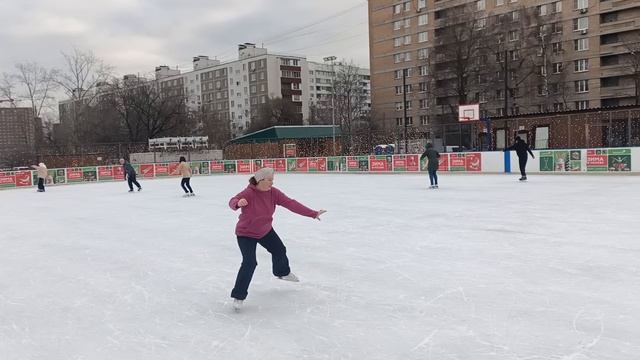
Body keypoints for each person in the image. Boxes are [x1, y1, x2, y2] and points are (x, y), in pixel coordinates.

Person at [228, 167, 326, 311]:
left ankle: (282, 272)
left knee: (280, 249)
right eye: (269, 180)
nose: (272, 183)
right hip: (246, 233)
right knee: (250, 263)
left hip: (265, 230)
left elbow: (291, 203)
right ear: (260, 180)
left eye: (272, 180)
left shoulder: (274, 193)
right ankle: (238, 295)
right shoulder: (249, 193)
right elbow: (232, 201)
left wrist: (313, 213)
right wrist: (238, 203)